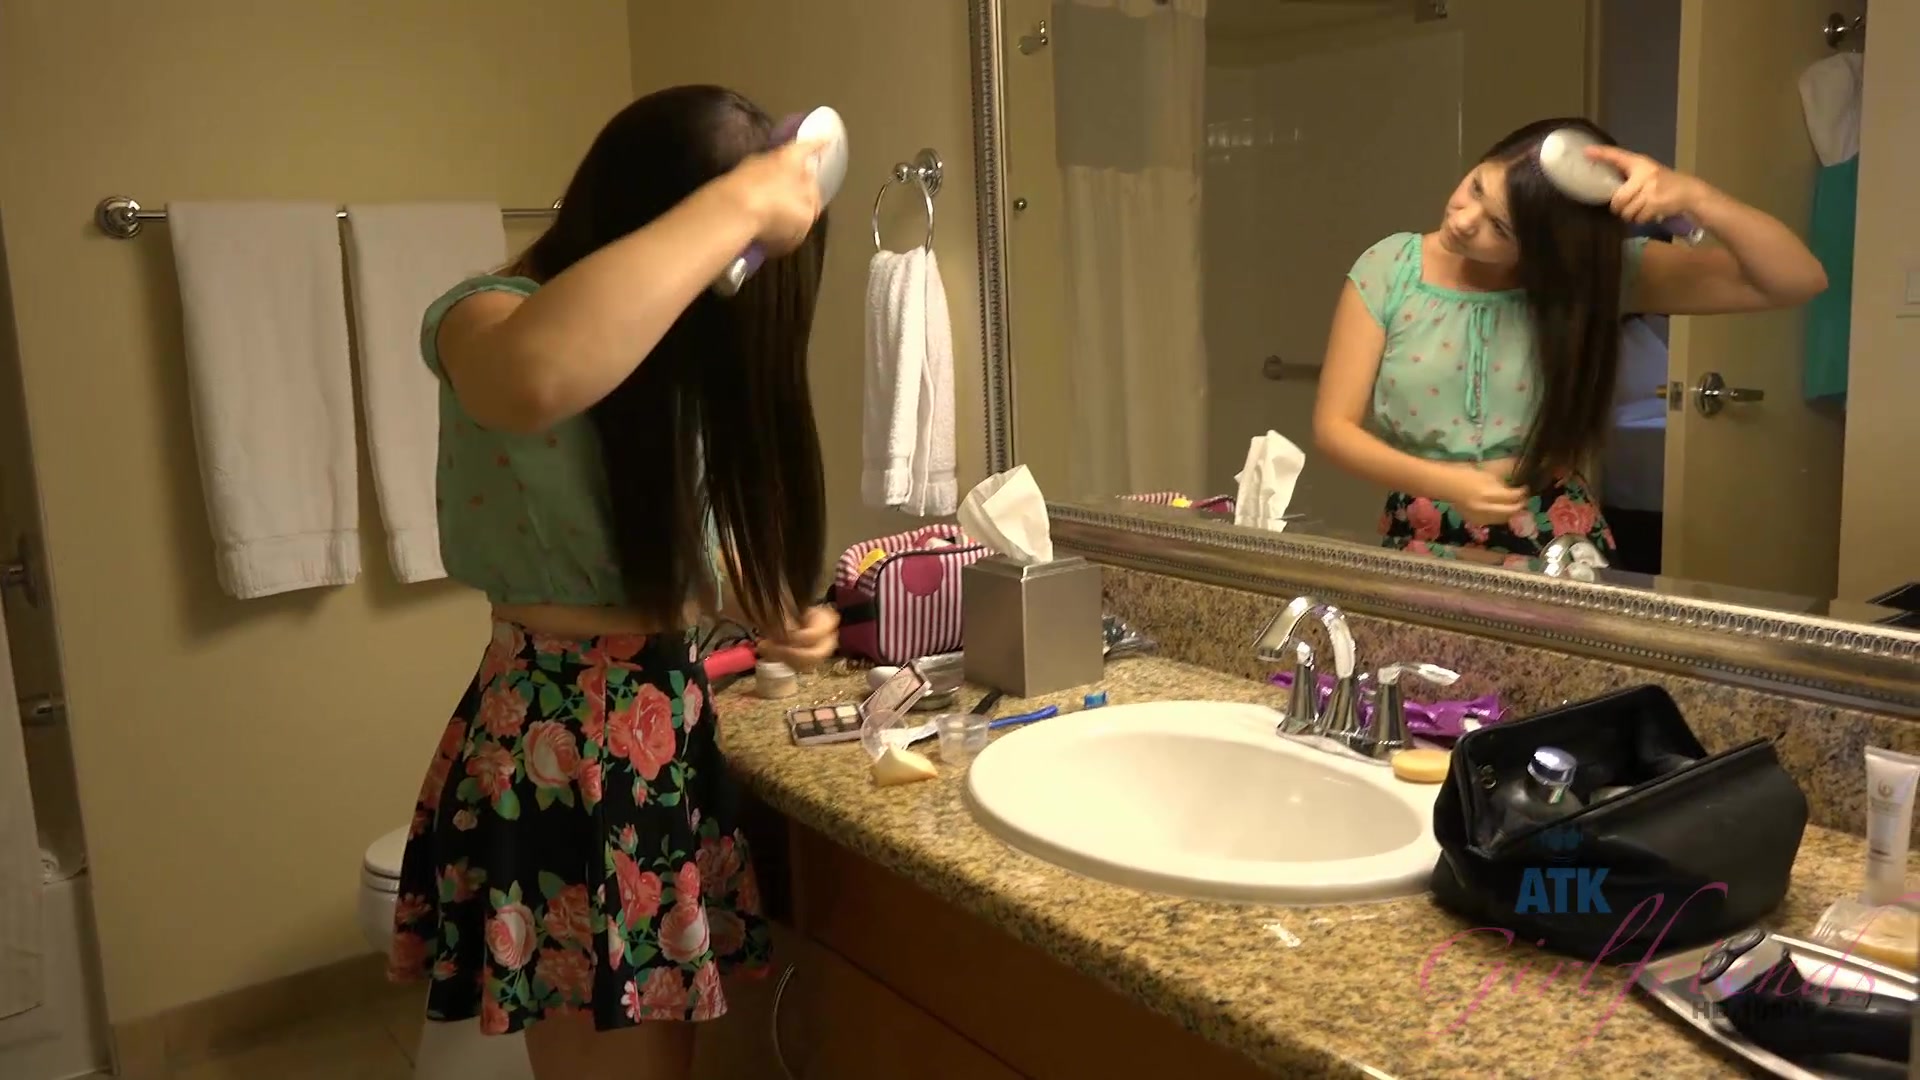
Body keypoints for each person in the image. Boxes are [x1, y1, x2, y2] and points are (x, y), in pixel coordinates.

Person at [386, 85, 842, 1080]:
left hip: (661, 726)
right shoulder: (486, 316)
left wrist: (770, 610)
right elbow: (533, 377)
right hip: (561, 742)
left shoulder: (658, 359)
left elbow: (669, 541)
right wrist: (743, 203)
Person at [1312, 117, 1827, 562]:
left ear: (1548, 250)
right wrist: (1447, 485)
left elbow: (1797, 279)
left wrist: (1696, 196)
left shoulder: (1595, 278)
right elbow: (1335, 428)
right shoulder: (1393, 268)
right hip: (1419, 529)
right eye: (1475, 187)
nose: (1463, 220)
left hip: (1554, 537)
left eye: (1500, 228)